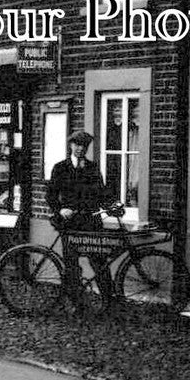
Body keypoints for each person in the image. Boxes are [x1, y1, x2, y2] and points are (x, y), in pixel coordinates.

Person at [46, 130, 122, 306]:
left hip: (91, 222)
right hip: (70, 224)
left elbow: (101, 191)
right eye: (77, 144)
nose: (80, 148)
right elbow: (50, 195)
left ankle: (108, 302)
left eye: (84, 146)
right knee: (71, 264)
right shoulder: (60, 168)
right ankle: (76, 304)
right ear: (71, 145)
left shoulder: (93, 167)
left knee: (99, 261)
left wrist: (113, 204)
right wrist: (60, 210)